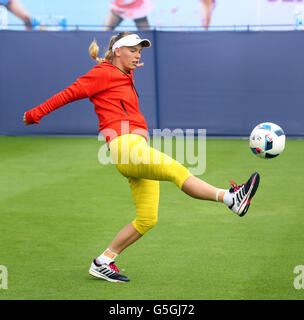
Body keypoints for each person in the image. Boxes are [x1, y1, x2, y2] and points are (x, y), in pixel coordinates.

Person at [23, 32, 260, 283]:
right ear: (118, 51)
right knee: (176, 170)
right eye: (133, 50)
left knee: (148, 218)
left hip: (133, 147)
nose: (138, 55)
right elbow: (68, 94)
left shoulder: (123, 73)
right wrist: (35, 114)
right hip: (125, 146)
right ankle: (231, 198)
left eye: (140, 52)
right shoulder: (103, 73)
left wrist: (128, 64)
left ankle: (103, 261)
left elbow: (119, 76)